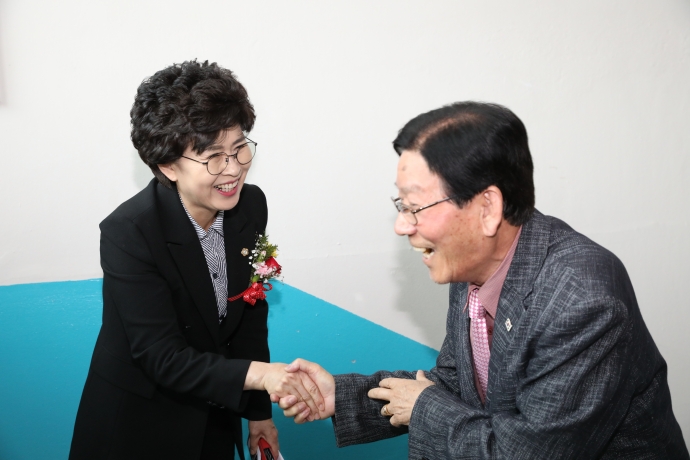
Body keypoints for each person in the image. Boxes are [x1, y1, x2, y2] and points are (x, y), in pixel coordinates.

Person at [276, 102, 689, 459]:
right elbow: (457, 383)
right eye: (401, 205)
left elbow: (529, 452)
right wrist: (340, 398)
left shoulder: (582, 298)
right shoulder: (472, 261)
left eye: (415, 206)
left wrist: (424, 408)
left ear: (487, 208)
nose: (402, 225)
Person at [69, 60, 322, 460]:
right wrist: (264, 376)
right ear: (168, 165)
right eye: (213, 157)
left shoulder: (250, 206)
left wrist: (258, 414)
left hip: (215, 413)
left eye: (239, 148)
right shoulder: (129, 231)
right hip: (139, 425)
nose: (233, 168)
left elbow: (248, 320)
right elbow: (161, 356)